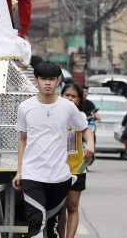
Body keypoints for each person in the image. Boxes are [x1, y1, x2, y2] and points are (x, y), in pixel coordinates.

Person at [13, 61, 93, 238]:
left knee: (51, 229)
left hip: (59, 178)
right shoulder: (25, 107)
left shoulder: (67, 107)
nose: (47, 83)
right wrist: (19, 171)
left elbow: (85, 129)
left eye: (51, 79)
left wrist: (91, 145)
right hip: (32, 175)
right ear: (36, 81)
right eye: (43, 79)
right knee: (36, 224)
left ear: (58, 81)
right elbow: (23, 140)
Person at [57, 83, 90, 238]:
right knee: (60, 209)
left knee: (72, 207)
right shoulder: (54, 114)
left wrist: (91, 144)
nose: (70, 99)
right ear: (61, 96)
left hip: (76, 168)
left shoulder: (80, 117)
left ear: (78, 100)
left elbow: (87, 134)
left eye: (73, 96)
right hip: (57, 168)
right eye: (67, 95)